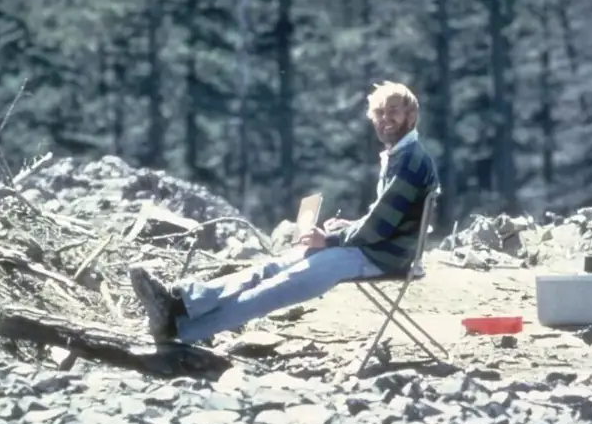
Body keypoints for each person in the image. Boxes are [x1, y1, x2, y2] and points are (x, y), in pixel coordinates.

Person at [129, 80, 440, 344]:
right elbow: (384, 216)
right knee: (271, 269)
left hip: (383, 256)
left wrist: (330, 239)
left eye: (393, 111)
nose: (385, 119)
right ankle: (181, 303)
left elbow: (381, 224)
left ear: (411, 115)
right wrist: (346, 227)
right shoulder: (401, 154)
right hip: (375, 248)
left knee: (280, 286)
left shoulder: (410, 160)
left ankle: (180, 329)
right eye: (379, 112)